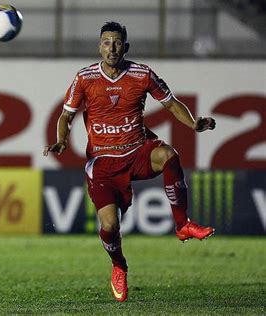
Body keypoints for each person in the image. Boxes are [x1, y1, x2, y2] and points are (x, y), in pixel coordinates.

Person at [43, 21, 216, 303]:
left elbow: (171, 103)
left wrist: (194, 124)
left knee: (169, 156)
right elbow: (66, 115)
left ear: (126, 46)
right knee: (110, 225)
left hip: (136, 151)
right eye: (106, 42)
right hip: (102, 162)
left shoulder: (142, 74)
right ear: (99, 46)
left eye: (117, 42)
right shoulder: (85, 78)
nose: (112, 48)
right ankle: (119, 265)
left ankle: (182, 223)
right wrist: (62, 141)